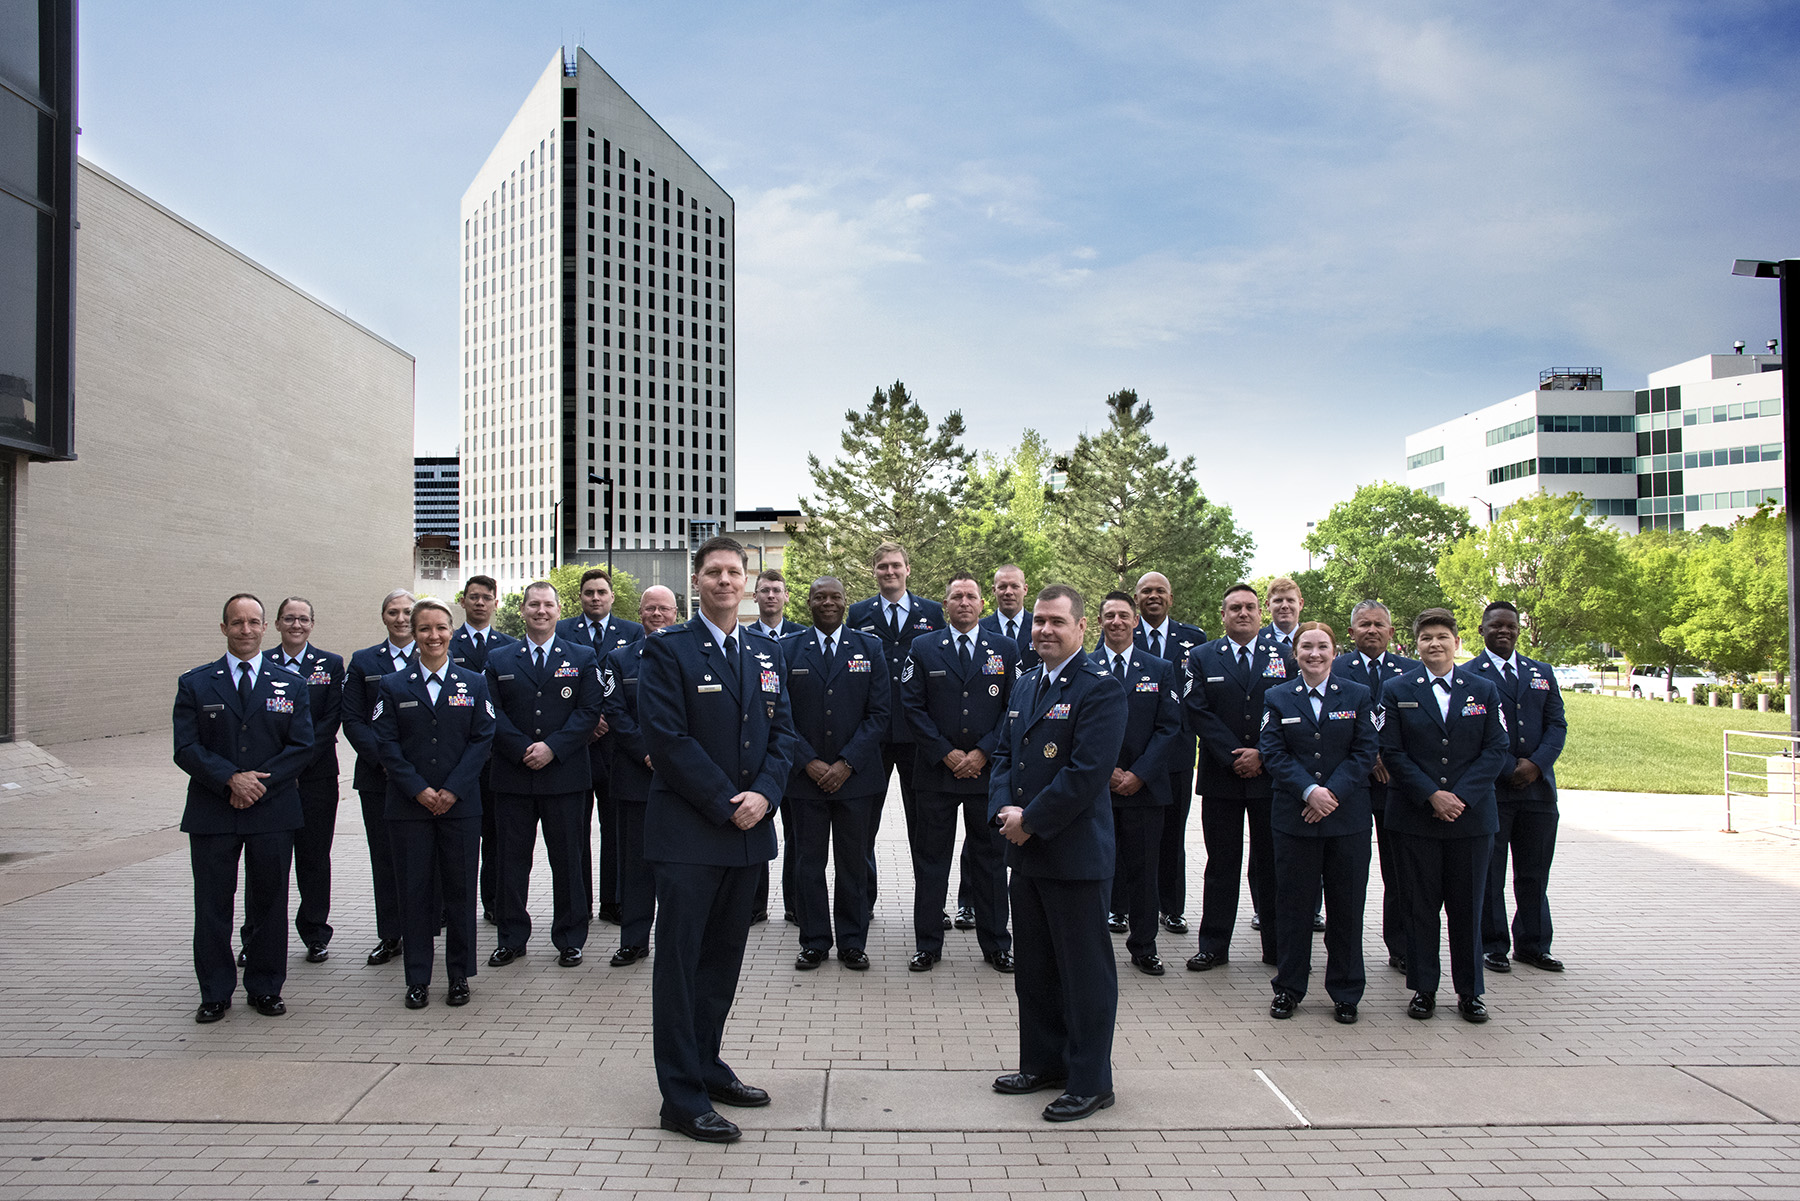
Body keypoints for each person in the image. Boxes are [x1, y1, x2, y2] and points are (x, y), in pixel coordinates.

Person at [639, 536, 795, 1144]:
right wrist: (729, 802)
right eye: (714, 572)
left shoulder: (763, 651)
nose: (725, 581)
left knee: (722, 963)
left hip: (747, 835)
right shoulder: (667, 650)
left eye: (735, 572)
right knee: (679, 967)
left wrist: (767, 795)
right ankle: (679, 1097)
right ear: (696, 579)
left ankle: (706, 1065)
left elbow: (785, 732)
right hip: (689, 835)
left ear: (749, 580)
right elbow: (668, 739)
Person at [989, 585, 1127, 1122]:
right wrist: (1003, 812)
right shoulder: (1025, 684)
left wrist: (1032, 821)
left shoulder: (1100, 689)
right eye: (1039, 621)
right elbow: (1005, 755)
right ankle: (1044, 1062)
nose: (1043, 629)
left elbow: (1086, 773)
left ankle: (1091, 1080)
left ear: (1081, 628)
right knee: (1037, 968)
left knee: (1084, 972)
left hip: (1073, 854)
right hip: (1025, 851)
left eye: (1055, 622)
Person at [173, 594, 314, 1023]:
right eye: (237, 623)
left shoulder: (290, 684)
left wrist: (255, 785)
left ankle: (266, 987)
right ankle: (215, 992)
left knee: (269, 904)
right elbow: (186, 748)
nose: (246, 630)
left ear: (264, 628)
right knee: (213, 905)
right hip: (214, 811)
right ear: (224, 629)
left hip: (271, 811)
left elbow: (302, 746)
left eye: (254, 622)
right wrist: (230, 778)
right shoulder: (196, 683)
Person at [1379, 608, 1510, 1023]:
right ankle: (1423, 988)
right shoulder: (1396, 690)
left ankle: (1470, 992)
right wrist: (1432, 795)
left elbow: (1495, 750)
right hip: (1416, 817)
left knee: (1468, 908)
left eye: (1442, 636)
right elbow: (1393, 752)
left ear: (1456, 641)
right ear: (1414, 645)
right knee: (1419, 907)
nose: (1434, 644)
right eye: (1426, 638)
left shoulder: (1484, 689)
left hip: (1470, 820)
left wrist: (1460, 798)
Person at [372, 598, 495, 1009]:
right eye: (424, 628)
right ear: (413, 631)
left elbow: (482, 739)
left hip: (460, 807)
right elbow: (385, 744)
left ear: (451, 629)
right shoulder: (391, 685)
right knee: (415, 893)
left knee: (460, 891)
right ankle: (418, 978)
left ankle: (459, 975)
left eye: (441, 627)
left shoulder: (474, 683)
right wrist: (419, 790)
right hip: (410, 808)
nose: (434, 636)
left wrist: (454, 789)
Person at [1259, 622, 1377, 1024]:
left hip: (1348, 821)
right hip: (1296, 819)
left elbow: (1365, 753)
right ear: (1295, 653)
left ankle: (1345, 992)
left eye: (1322, 647)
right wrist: (1310, 792)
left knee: (1347, 908)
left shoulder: (1358, 695)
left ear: (1334, 651)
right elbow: (1272, 753)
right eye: (1306, 647)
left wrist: (1331, 795)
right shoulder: (1276, 697)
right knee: (1293, 908)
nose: (1314, 654)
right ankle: (1289, 988)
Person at [485, 581, 605, 968]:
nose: (541, 611)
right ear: (522, 610)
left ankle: (570, 938)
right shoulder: (499, 659)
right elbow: (491, 713)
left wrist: (553, 747)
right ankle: (511, 936)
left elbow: (589, 711)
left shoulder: (583, 657)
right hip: (512, 775)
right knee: (511, 861)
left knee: (568, 860)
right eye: (533, 604)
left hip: (565, 776)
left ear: (558, 610)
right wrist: (522, 748)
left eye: (548, 605)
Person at [901, 573, 1017, 973]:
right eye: (956, 596)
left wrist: (984, 752)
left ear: (982, 604)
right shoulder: (923, 646)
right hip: (936, 774)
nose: (964, 602)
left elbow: (1012, 708)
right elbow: (911, 706)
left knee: (989, 863)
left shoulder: (1006, 648)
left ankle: (997, 944)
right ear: (945, 605)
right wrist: (946, 753)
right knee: (932, 861)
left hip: (986, 775)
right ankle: (927, 944)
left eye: (971, 596)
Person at [781, 577, 890, 971]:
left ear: (847, 603)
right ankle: (813, 941)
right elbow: (778, 713)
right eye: (820, 597)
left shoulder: (869, 647)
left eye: (835, 597)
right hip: (804, 779)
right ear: (808, 602)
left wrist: (846, 762)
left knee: (853, 864)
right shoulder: (786, 649)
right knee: (807, 864)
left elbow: (879, 714)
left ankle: (851, 943)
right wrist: (808, 761)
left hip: (856, 779)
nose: (828, 602)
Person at [1183, 583, 1292, 971]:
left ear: (1260, 614)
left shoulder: (1285, 654)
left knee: (1272, 864)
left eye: (1249, 607)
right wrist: (1234, 756)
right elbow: (1197, 709)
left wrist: (1262, 752)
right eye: (1234, 608)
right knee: (1221, 863)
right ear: (1223, 614)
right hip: (1221, 776)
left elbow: (1290, 707)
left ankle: (1277, 948)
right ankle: (1213, 945)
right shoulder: (1202, 657)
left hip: (1270, 776)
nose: (1242, 614)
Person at [240, 597, 343, 965]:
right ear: (277, 625)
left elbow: (330, 720)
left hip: (316, 778)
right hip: (271, 780)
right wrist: (280, 771)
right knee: (265, 861)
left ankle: (315, 933)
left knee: (314, 858)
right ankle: (255, 935)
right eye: (289, 618)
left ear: (312, 624)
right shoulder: (260, 664)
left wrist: (298, 765)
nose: (296, 625)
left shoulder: (330, 665)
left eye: (303, 618)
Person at [846, 542, 946, 911]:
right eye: (882, 567)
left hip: (918, 736)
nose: (890, 572)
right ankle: (862, 903)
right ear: (874, 571)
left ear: (908, 569)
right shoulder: (857, 614)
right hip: (871, 735)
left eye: (895, 566)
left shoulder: (933, 612)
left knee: (924, 829)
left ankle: (930, 907)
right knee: (862, 827)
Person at [1470, 601, 1568, 974]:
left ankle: (1533, 944)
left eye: (1510, 626)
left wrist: (1536, 765)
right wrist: (1509, 766)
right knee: (1490, 874)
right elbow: (1473, 734)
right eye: (1496, 626)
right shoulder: (1469, 675)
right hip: (1494, 791)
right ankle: (1492, 945)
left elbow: (1557, 724)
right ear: (1482, 630)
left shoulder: (1540, 672)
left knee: (1533, 872)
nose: (1504, 632)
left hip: (1538, 790)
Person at [1088, 592, 1180, 975]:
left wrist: (1139, 773)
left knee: (1144, 873)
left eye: (1123, 615)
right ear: (1099, 622)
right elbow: (1078, 728)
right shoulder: (1085, 666)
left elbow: (1170, 727)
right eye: (1109, 616)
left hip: (1145, 789)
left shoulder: (1159, 668)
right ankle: (1091, 948)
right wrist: (1106, 770)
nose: (1116, 622)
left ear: (1135, 620)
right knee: (1095, 870)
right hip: (1095, 790)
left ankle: (1144, 946)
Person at [1332, 600, 1419, 972]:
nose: (1371, 630)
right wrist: (1368, 758)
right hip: (1347, 784)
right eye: (1363, 625)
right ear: (1351, 633)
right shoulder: (1334, 668)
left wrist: (1385, 756)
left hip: (1393, 786)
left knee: (1398, 872)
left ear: (1391, 632)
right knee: (1342, 869)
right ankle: (1338, 941)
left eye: (1378, 624)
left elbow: (1415, 730)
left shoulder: (1411, 671)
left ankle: (1399, 945)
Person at [598, 585, 681, 967]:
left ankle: (677, 938)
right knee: (634, 864)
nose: (658, 615)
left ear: (676, 613)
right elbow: (614, 712)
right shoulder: (618, 659)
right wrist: (648, 753)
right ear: (640, 612)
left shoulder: (691, 653)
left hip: (680, 780)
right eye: (651, 609)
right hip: (635, 775)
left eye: (665, 608)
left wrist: (670, 756)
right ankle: (633, 939)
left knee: (679, 864)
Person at [557, 568, 644, 926]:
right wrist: (586, 722)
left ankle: (613, 902)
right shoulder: (563, 631)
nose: (595, 597)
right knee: (575, 831)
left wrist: (605, 718)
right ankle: (580, 905)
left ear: (611, 597)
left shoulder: (632, 632)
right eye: (589, 592)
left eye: (601, 592)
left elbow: (627, 687)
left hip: (614, 747)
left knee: (615, 831)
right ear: (580, 597)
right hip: (576, 747)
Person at [341, 589, 417, 966]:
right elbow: (353, 720)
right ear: (383, 616)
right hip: (379, 778)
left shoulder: (436, 652)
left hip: (425, 779)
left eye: (407, 612)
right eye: (393, 612)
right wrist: (386, 760)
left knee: (425, 857)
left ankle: (427, 929)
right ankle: (391, 934)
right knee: (384, 859)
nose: (401, 618)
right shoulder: (363, 661)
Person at [1131, 571, 1208, 935]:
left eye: (1160, 590)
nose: (1154, 596)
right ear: (1137, 599)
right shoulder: (1121, 634)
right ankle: (1121, 908)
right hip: (1130, 757)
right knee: (1126, 837)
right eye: (1146, 591)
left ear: (1171, 597)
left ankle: (1172, 907)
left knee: (1172, 835)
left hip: (1176, 755)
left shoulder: (1193, 640)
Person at [450, 575, 516, 924]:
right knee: (455, 839)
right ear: (462, 601)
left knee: (495, 837)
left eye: (486, 597)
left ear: (495, 603)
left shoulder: (510, 646)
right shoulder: (446, 643)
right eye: (473, 597)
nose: (479, 603)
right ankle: (450, 905)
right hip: (454, 759)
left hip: (496, 759)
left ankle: (492, 901)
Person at [749, 569, 807, 922]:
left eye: (777, 590)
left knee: (798, 836)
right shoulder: (743, 638)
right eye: (764, 590)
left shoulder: (803, 637)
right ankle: (753, 906)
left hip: (797, 752)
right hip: (759, 751)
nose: (771, 595)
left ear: (787, 596)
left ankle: (795, 905)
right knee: (757, 828)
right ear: (754, 597)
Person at [981, 563, 1039, 673]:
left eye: (1015, 586)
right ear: (994, 590)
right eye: (1002, 587)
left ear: (1025, 589)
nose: (1008, 592)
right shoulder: (980, 629)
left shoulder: (1040, 627)